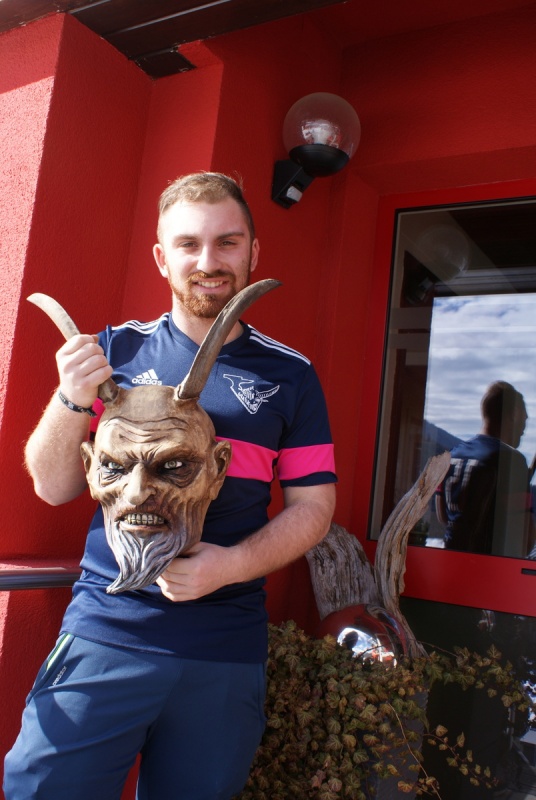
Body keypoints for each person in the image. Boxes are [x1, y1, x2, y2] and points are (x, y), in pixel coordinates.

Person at [4, 172, 337, 800]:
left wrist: (231, 566)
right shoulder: (110, 353)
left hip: (223, 651)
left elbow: (315, 507)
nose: (208, 262)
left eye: (227, 242)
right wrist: (70, 396)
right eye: (189, 244)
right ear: (162, 258)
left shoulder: (291, 376)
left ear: (253, 251)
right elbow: (51, 485)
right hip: (105, 632)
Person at [435, 380, 534, 557]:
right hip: (489, 567)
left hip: (450, 562)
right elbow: (523, 543)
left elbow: (444, 517)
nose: (523, 431)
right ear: (514, 414)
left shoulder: (451, 456)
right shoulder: (511, 461)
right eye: (524, 420)